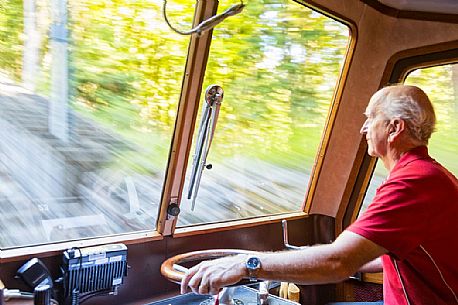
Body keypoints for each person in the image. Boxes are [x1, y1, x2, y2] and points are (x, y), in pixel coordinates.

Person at [180, 85, 458, 305]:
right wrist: (313, 259)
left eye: (371, 117)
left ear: (395, 127)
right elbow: (395, 252)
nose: (364, 128)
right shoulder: (429, 175)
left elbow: (337, 262)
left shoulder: (413, 183)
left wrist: (246, 264)